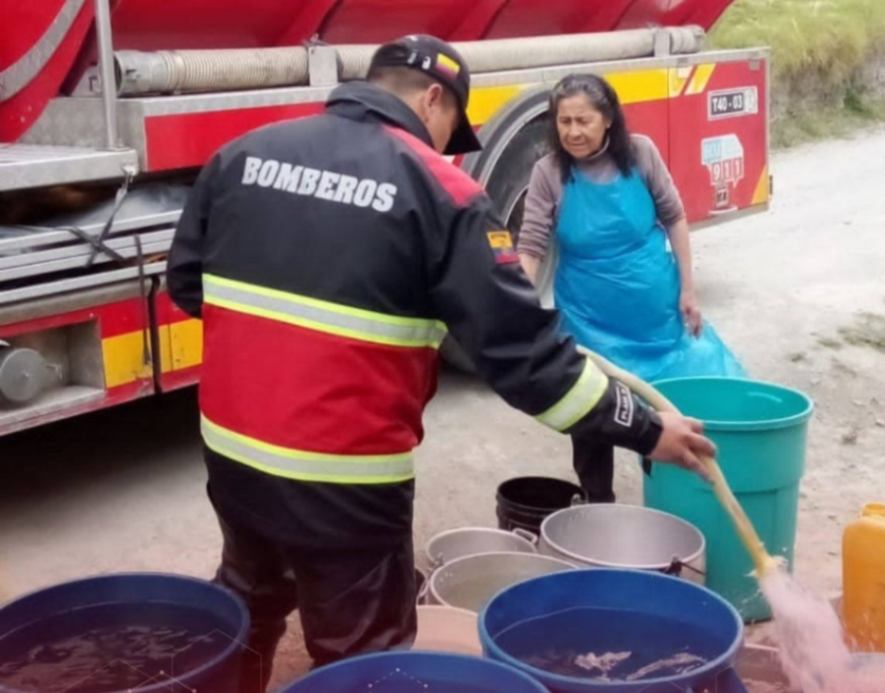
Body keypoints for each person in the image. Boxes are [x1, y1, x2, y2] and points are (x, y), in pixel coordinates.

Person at [167, 37, 715, 692]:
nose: (448, 146)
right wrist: (651, 431)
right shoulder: (441, 190)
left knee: (248, 600)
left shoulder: (242, 155)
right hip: (346, 472)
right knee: (362, 653)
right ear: (433, 99)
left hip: (232, 453)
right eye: (450, 129)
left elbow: (187, 286)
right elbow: (525, 360)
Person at [517, 73, 745, 503]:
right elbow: (530, 244)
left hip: (652, 309)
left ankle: (672, 496)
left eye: (583, 120)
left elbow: (674, 216)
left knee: (670, 404)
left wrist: (688, 291)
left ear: (607, 120)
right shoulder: (548, 172)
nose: (573, 132)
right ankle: (599, 505)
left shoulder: (640, 153)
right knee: (591, 413)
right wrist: (519, 307)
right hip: (586, 317)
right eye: (564, 122)